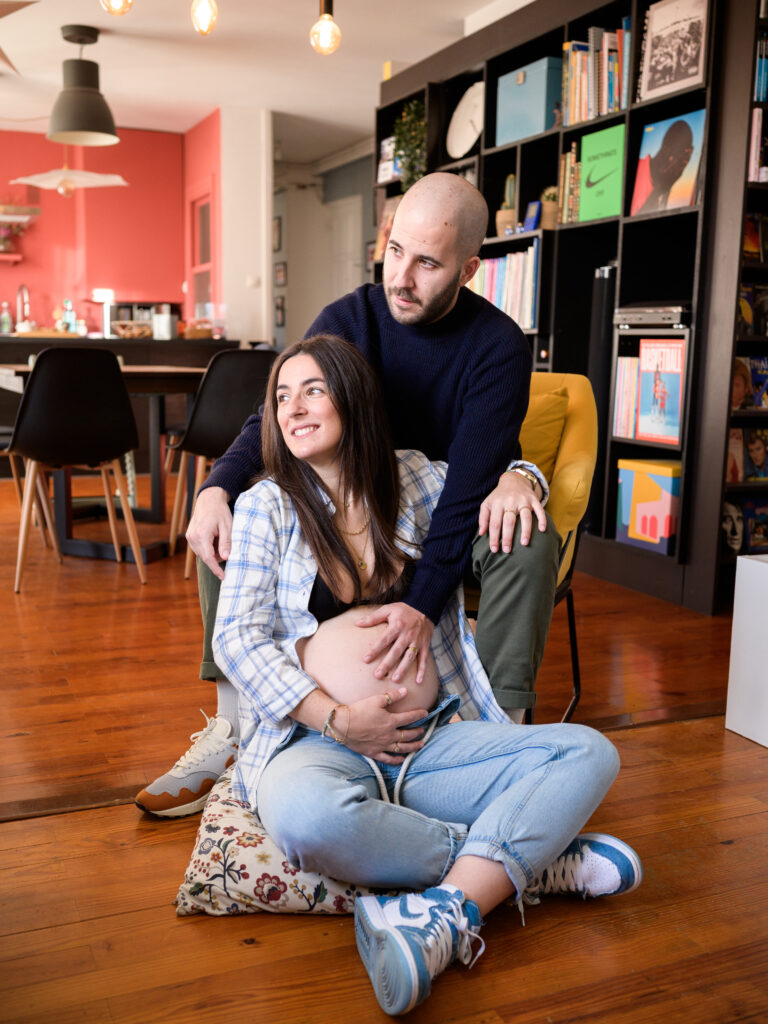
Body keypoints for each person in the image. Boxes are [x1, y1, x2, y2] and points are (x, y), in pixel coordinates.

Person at [213, 334, 641, 1017]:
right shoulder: (267, 506)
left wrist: (521, 478)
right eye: (282, 396)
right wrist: (334, 716)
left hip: (433, 736)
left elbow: (505, 474)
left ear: (352, 398)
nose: (293, 407)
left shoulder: (416, 478)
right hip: (316, 745)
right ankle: (521, 867)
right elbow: (235, 639)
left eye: (313, 390)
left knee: (589, 751)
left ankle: (447, 905)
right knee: (306, 821)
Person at [136, 171, 561, 818]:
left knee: (526, 541)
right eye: (395, 250)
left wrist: (422, 604)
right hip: (343, 499)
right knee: (224, 525)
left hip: (437, 502)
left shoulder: (498, 346)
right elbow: (277, 411)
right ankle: (231, 724)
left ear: (469, 268)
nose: (401, 277)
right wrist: (217, 487)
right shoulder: (350, 317)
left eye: (427, 263)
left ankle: (501, 734)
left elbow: (466, 487)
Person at [630, 119, 694, 216]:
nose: (679, 173)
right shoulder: (634, 172)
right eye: (679, 163)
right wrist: (657, 192)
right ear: (667, 151)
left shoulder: (661, 196)